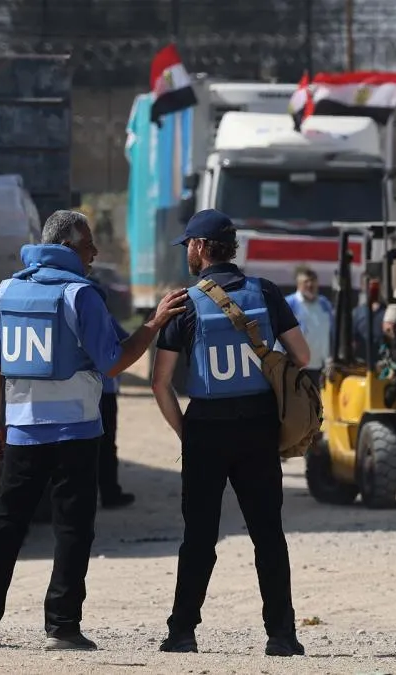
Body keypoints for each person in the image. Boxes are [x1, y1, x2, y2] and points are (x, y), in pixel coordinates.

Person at [0, 210, 185, 651]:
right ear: (67, 247)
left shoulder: (7, 290)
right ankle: (61, 627)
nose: (94, 254)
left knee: (6, 523)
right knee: (72, 528)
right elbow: (115, 362)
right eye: (88, 246)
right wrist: (154, 323)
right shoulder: (81, 295)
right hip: (76, 433)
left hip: (24, 431)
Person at [150, 208, 311, 657]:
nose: (187, 252)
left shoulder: (183, 301)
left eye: (188, 246)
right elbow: (302, 353)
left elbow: (160, 383)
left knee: (199, 537)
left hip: (206, 428)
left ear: (201, 248)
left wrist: (187, 433)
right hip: (259, 427)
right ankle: (282, 636)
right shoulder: (266, 292)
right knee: (268, 535)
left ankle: (182, 632)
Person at [87, 268, 134, 509]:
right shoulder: (103, 316)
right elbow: (126, 341)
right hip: (104, 391)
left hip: (80, 393)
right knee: (106, 445)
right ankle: (109, 494)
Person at [283, 266, 333, 386]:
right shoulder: (289, 304)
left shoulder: (324, 304)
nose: (310, 285)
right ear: (298, 284)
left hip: (320, 367)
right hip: (296, 367)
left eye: (313, 281)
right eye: (306, 282)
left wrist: (329, 359)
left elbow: (330, 333)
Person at [351, 277, 386, 363]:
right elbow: (353, 341)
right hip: (362, 364)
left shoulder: (387, 312)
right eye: (368, 285)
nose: (371, 289)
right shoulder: (357, 313)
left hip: (383, 363)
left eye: (375, 286)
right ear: (363, 287)